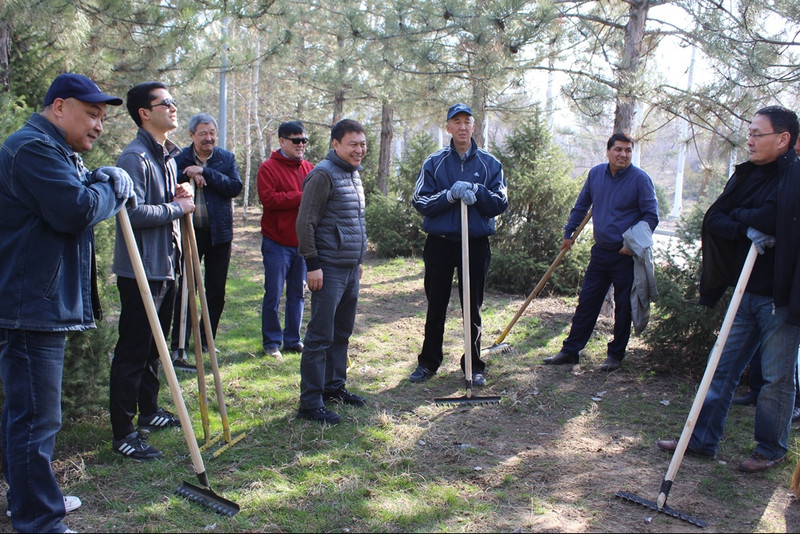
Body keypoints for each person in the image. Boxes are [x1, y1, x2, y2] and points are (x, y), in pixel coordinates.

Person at [0, 73, 131, 533]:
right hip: (31, 305)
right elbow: (75, 210)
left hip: (39, 302)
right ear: (59, 107)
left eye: (102, 117)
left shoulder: (55, 151)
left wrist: (98, 177)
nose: (99, 125)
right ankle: (39, 520)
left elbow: (74, 195)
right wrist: (112, 188)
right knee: (36, 418)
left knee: (27, 412)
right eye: (91, 114)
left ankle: (29, 499)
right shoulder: (32, 148)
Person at [657, 105, 800, 472]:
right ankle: (702, 439)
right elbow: (716, 217)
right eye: (749, 133)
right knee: (721, 367)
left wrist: (746, 218)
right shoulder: (746, 175)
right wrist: (744, 224)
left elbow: (773, 217)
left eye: (758, 134)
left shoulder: (795, 176)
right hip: (745, 290)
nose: (749, 140)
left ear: (783, 139)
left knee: (775, 378)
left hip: (780, 297)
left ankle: (769, 448)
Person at [110, 82, 195, 460]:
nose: (174, 108)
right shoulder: (135, 158)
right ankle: (124, 431)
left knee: (153, 349)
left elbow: (162, 203)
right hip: (141, 271)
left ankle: (149, 411)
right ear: (145, 112)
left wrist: (175, 199)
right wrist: (178, 208)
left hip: (165, 265)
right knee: (133, 349)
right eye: (166, 103)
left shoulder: (166, 156)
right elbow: (132, 213)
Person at [408, 103, 508, 386]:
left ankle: (474, 366)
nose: (462, 127)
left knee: (472, 307)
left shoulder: (490, 164)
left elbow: (500, 202)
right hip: (440, 243)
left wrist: (478, 191)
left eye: (467, 121)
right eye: (456, 122)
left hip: (475, 244)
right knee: (436, 304)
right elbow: (420, 201)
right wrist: (449, 196)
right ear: (448, 127)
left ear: (473, 127)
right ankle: (428, 363)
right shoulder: (434, 162)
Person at [544, 133, 658, 372]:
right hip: (600, 253)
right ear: (608, 151)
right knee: (587, 302)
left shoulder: (640, 180)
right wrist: (568, 232)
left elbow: (650, 217)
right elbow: (582, 204)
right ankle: (571, 351)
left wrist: (632, 245)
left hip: (626, 255)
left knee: (624, 306)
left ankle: (615, 355)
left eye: (628, 150)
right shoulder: (596, 174)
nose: (623, 154)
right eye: (618, 149)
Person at [295, 119, 368, 425]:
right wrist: (312, 264)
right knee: (320, 337)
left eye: (363, 144)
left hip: (349, 268)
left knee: (342, 333)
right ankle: (310, 401)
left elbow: (354, 222)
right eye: (353, 144)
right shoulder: (323, 175)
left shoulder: (353, 175)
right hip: (327, 270)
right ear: (336, 144)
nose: (359, 150)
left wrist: (358, 260)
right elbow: (305, 222)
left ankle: (334, 388)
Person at [169, 112, 242, 370]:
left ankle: (204, 339)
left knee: (215, 292)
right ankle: (180, 344)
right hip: (189, 233)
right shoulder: (179, 159)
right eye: (203, 134)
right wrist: (187, 173)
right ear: (191, 135)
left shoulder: (225, 158)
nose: (208, 138)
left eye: (212, 133)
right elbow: (168, 184)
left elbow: (234, 187)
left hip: (219, 235)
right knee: (186, 289)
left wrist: (206, 173)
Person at [257, 121, 314, 358]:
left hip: (302, 243)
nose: (301, 145)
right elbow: (269, 200)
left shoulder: (310, 168)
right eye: (295, 140)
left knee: (298, 293)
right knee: (273, 292)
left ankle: (293, 339)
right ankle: (272, 342)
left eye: (304, 140)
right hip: (276, 242)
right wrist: (302, 196)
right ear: (282, 141)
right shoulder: (267, 168)